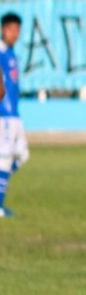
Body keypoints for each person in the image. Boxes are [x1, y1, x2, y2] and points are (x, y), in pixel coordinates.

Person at [0, 13, 25, 219]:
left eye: (17, 30)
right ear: (3, 29)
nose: (15, 34)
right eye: (11, 29)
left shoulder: (11, 53)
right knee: (6, 159)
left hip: (14, 114)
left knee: (22, 155)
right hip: (4, 115)